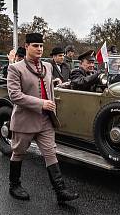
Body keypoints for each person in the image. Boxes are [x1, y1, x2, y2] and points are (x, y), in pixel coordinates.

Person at [6, 33, 78, 204]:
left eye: (41, 46)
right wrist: (41, 103)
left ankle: (60, 191)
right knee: (18, 153)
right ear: (27, 46)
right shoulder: (16, 68)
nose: (39, 49)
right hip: (25, 120)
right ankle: (14, 185)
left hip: (46, 121)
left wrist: (57, 85)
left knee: (50, 153)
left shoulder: (47, 66)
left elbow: (47, 87)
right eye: (35, 46)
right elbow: (14, 95)